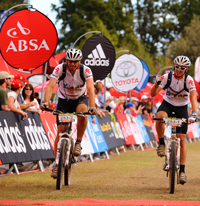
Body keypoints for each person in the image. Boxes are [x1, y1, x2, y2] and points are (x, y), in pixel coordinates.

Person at [41, 48, 97, 178]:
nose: (72, 64)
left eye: (75, 61)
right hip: (63, 100)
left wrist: (92, 106)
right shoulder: (60, 68)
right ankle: (56, 164)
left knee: (82, 112)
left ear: (79, 61)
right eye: (70, 61)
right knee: (60, 132)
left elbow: (90, 89)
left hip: (80, 99)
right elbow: (50, 86)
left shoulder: (86, 70)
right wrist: (45, 102)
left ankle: (78, 142)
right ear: (66, 60)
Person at [150, 55, 197, 185]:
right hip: (168, 104)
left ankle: (182, 171)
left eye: (182, 68)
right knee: (160, 116)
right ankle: (161, 143)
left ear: (186, 69)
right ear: (174, 66)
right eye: (177, 66)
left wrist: (194, 113)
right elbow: (153, 94)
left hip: (182, 107)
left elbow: (193, 97)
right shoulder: (167, 77)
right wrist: (157, 84)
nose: (178, 70)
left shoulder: (189, 80)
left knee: (182, 139)